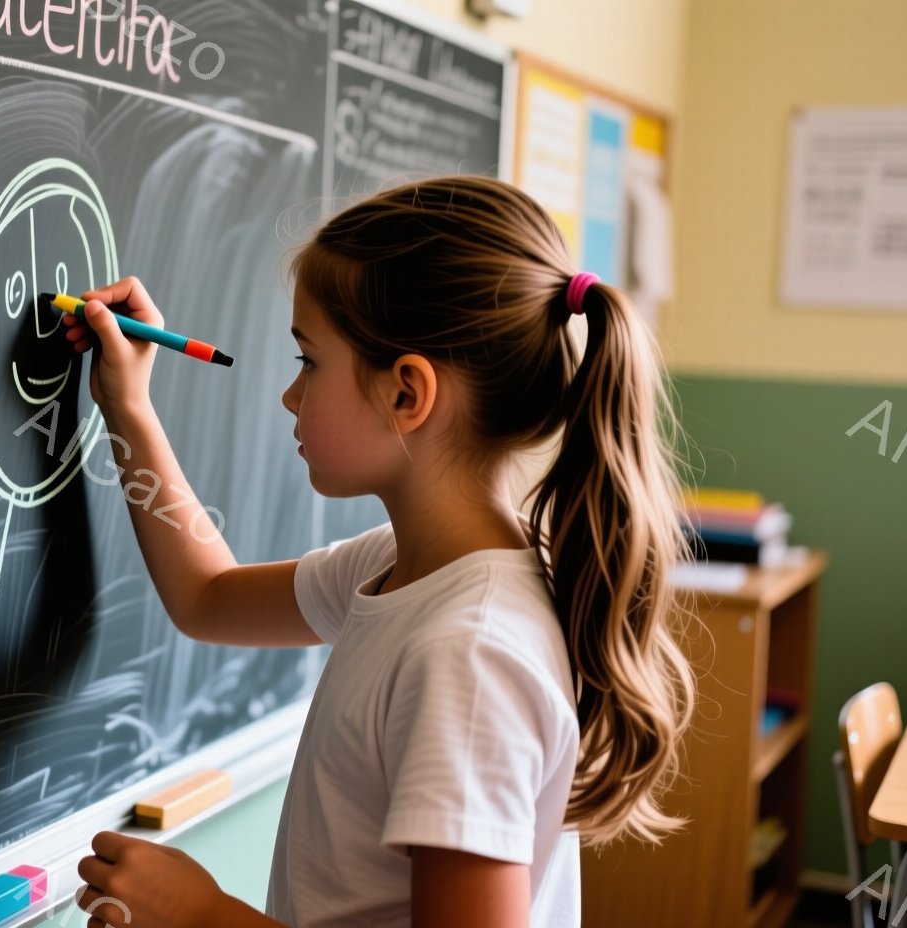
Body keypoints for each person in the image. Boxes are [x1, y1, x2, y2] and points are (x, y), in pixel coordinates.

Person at [60, 175, 696, 928]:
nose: (291, 397)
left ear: (407, 394)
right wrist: (129, 408)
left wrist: (204, 917)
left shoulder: (468, 654)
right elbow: (209, 595)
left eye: (308, 361)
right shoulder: (406, 571)